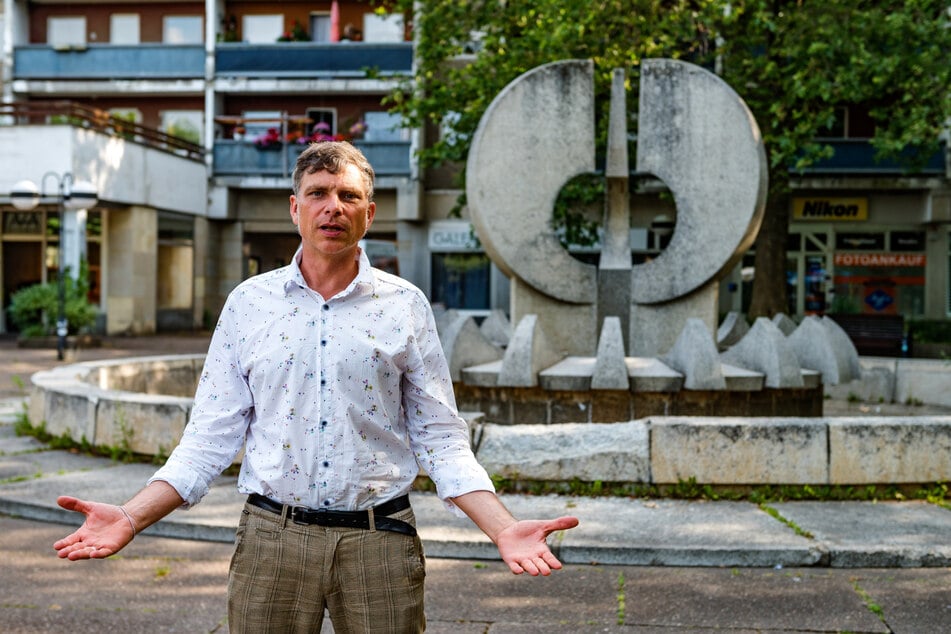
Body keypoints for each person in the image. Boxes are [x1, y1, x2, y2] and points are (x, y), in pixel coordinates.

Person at [53, 141, 579, 632]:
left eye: (349, 195)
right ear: (294, 208)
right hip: (271, 541)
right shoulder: (248, 304)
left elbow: (441, 437)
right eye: (319, 194)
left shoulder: (405, 306)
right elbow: (209, 438)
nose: (334, 206)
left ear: (368, 214)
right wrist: (130, 516)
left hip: (380, 542)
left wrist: (502, 527)